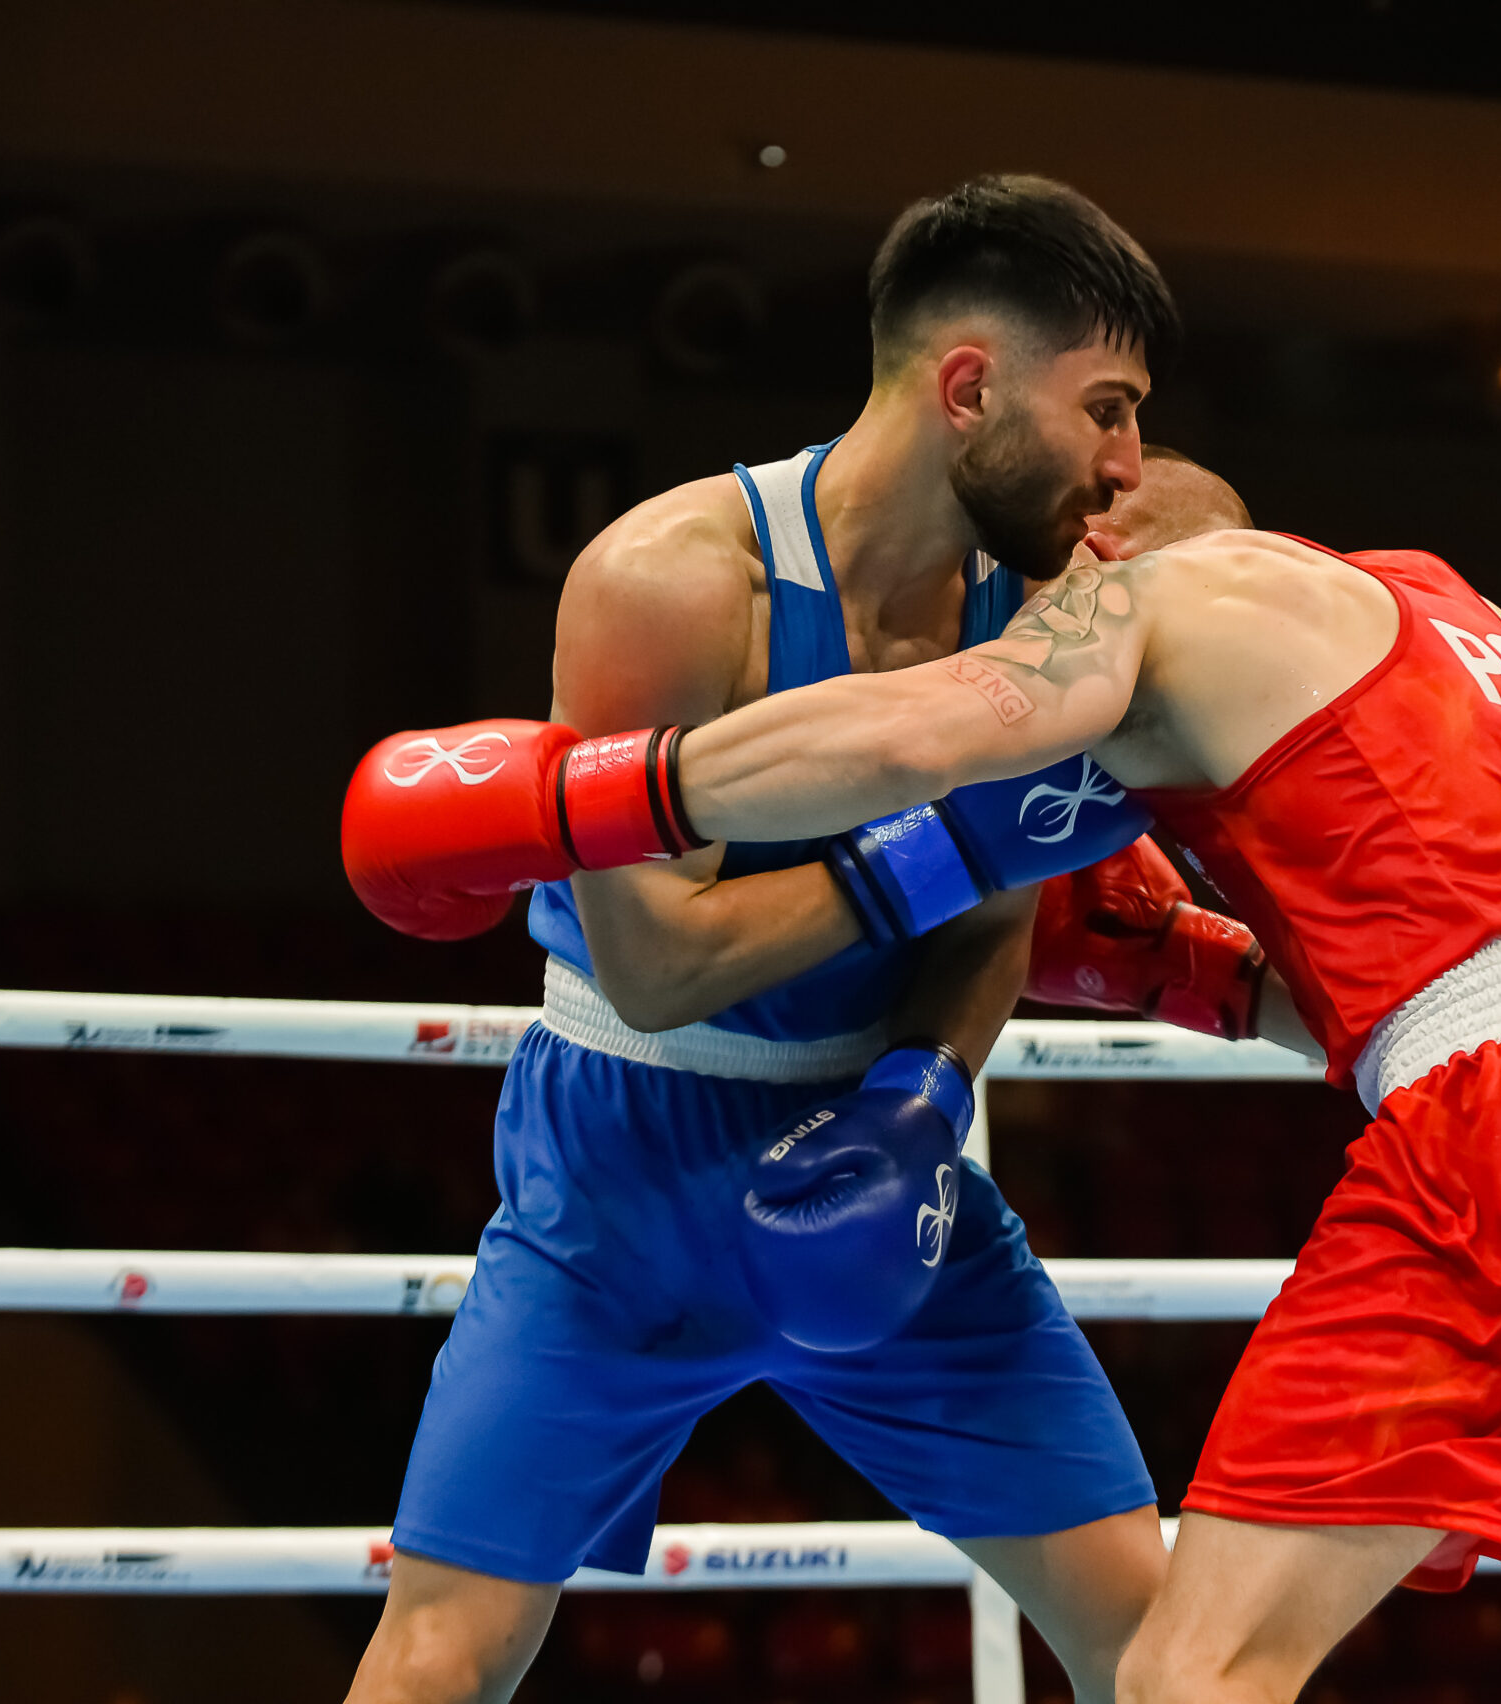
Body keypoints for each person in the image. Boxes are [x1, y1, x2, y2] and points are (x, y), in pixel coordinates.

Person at [505, 450, 1501, 1701]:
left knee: (1191, 1677)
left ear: (1100, 542)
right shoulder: (1439, 601)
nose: (1017, 619)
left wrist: (594, 799)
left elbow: (905, 734)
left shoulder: (1135, 599)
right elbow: (1436, 952)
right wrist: (1186, 964)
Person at [333, 177, 1211, 1704]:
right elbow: (657, 967)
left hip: (885, 1133)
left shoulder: (1044, 605)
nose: (1128, 465)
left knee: (1163, 1647)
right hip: (622, 1174)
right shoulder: (672, 585)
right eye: (1107, 410)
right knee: (439, 1661)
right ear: (968, 387)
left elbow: (995, 916)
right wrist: (934, 853)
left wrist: (924, 1093)